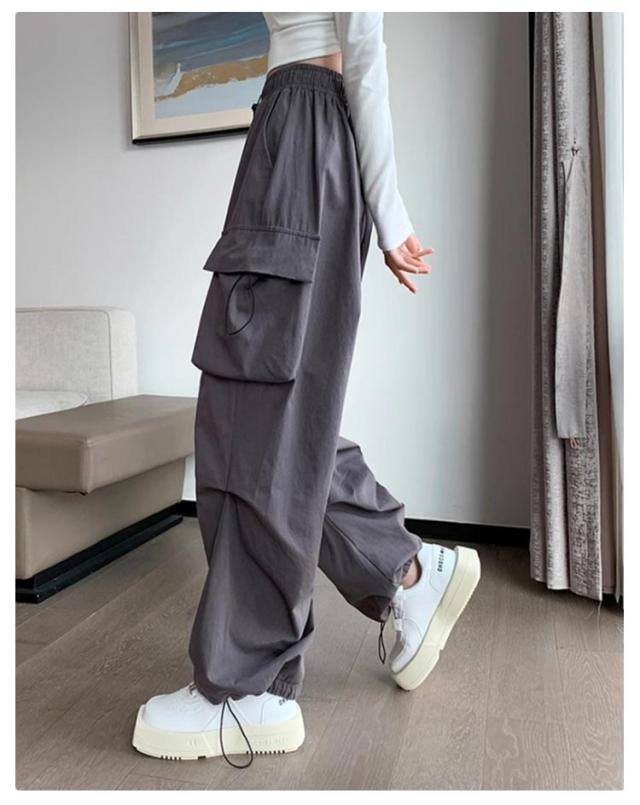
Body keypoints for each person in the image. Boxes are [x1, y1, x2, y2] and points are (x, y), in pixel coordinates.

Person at [131, 12, 480, 768]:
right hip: (288, 133)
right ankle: (406, 571)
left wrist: (391, 214)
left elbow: (365, 43)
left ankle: (244, 688)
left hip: (303, 134)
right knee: (271, 416)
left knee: (258, 417)